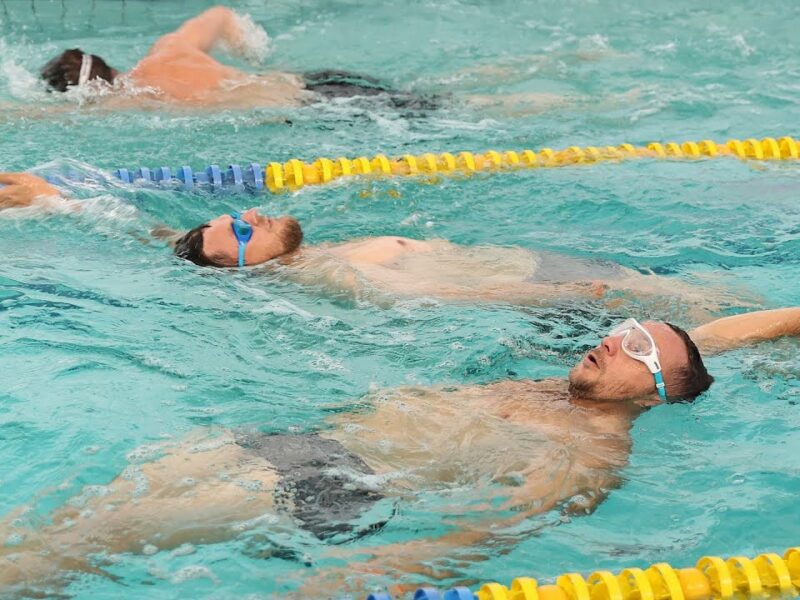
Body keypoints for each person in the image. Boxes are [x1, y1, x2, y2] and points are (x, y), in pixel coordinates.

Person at [1, 308, 798, 596]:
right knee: (63, 518)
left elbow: (506, 527)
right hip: (289, 439)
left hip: (333, 483)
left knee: (93, 540)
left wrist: (405, 565)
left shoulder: (592, 453)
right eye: (619, 328)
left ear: (655, 391)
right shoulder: (553, 391)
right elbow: (728, 335)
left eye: (633, 347)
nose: (608, 341)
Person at [0, 172, 744, 311]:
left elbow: (162, 236)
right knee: (730, 309)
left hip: (540, 268)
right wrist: (553, 294)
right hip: (549, 287)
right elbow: (438, 296)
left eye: (235, 217)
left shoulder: (302, 252)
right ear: (248, 274)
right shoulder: (327, 279)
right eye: (238, 234)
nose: (246, 217)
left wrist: (62, 200)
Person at [37, 6, 439, 110]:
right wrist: (256, 60)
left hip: (320, 107)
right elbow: (221, 15)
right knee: (437, 98)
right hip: (310, 79)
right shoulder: (167, 50)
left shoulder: (135, 98)